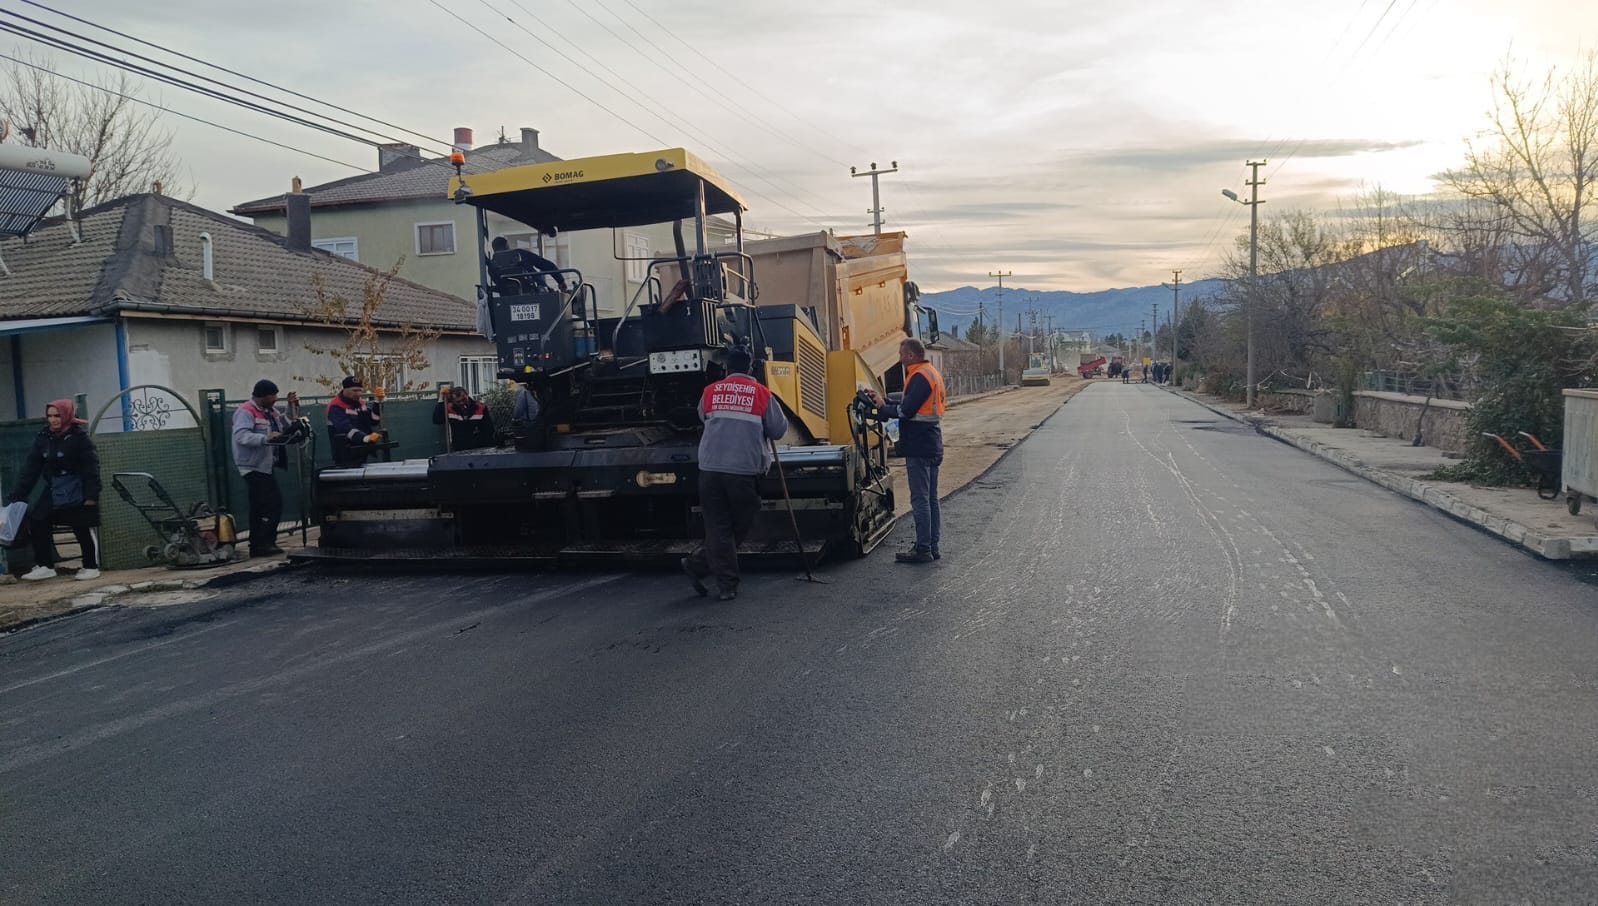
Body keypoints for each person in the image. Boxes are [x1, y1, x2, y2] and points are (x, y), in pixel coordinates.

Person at [682, 346, 787, 601]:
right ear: (750, 369)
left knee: (719, 526)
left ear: (726, 368)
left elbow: (702, 416)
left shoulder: (710, 391)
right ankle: (726, 584)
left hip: (710, 470)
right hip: (743, 471)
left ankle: (699, 564)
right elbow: (778, 430)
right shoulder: (761, 394)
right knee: (741, 521)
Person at [868, 338, 946, 565]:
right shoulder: (931, 372)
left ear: (911, 355)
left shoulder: (920, 376)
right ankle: (932, 545)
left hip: (919, 446)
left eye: (902, 354)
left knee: (921, 500)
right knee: (931, 498)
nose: (900, 359)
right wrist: (885, 402)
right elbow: (910, 403)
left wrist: (883, 408)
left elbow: (907, 410)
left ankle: (923, 548)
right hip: (931, 441)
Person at [8, 399, 101, 581]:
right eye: (50, 416)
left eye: (57, 415)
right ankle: (45, 566)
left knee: (80, 526)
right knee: (38, 520)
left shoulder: (79, 438)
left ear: (66, 415)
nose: (53, 420)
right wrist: (19, 494)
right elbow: (32, 468)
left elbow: (91, 468)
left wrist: (91, 495)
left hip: (76, 488)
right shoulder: (44, 437)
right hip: (54, 488)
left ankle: (91, 566)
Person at [232, 379, 295, 557]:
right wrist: (265, 438)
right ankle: (264, 543)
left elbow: (284, 424)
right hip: (252, 465)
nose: (275, 399)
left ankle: (259, 543)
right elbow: (241, 436)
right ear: (263, 396)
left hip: (265, 465)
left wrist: (291, 409)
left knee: (260, 505)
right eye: (273, 395)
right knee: (271, 503)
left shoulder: (271, 412)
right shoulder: (246, 412)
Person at [326, 376, 383, 468]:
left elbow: (374, 421)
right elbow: (345, 428)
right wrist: (364, 438)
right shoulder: (335, 406)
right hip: (346, 455)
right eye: (354, 390)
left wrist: (377, 402)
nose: (358, 393)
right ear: (345, 390)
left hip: (361, 451)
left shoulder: (360, 403)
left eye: (360, 390)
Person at [490, 236, 567, 293]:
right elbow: (545, 264)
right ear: (507, 246)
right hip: (538, 293)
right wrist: (561, 281)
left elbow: (499, 285)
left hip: (507, 299)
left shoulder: (492, 267)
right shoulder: (520, 254)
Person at [433, 385, 496, 451]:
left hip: (480, 447)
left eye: (464, 399)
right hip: (459, 448)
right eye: (458, 401)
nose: (462, 403)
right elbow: (437, 420)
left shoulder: (481, 407)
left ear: (467, 394)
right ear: (453, 401)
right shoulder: (450, 409)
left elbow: (489, 429)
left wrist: (488, 448)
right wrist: (441, 400)